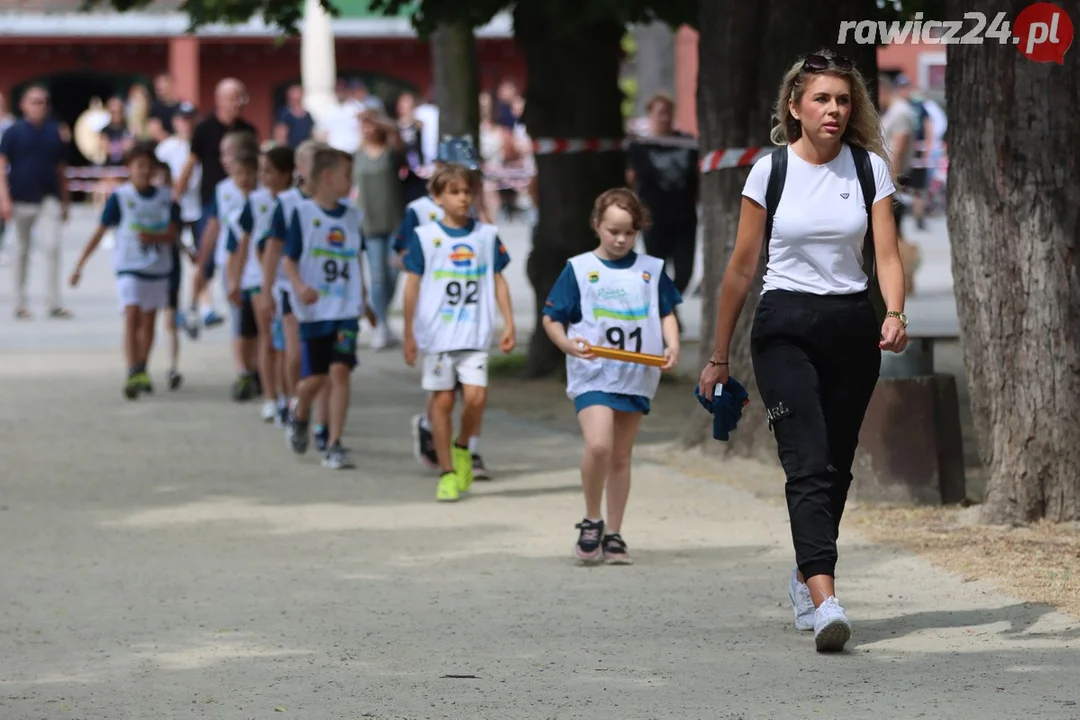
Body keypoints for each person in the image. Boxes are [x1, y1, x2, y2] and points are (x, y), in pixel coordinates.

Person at [697, 51, 909, 653]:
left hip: (851, 324)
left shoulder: (868, 169)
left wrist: (894, 313)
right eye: (821, 99)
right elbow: (741, 269)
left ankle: (802, 574)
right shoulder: (771, 171)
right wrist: (719, 355)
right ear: (795, 107)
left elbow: (886, 256)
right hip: (784, 324)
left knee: (836, 464)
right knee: (807, 459)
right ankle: (825, 598)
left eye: (843, 100)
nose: (834, 110)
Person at [541, 188, 681, 566]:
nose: (620, 239)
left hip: (636, 373)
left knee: (621, 456)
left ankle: (615, 534)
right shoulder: (580, 268)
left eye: (629, 232)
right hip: (593, 371)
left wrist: (672, 345)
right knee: (599, 445)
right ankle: (591, 520)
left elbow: (667, 310)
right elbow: (551, 318)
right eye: (613, 230)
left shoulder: (651, 269)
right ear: (597, 226)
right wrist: (567, 345)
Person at [401, 164, 516, 503]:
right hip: (438, 335)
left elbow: (498, 279)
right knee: (443, 400)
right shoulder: (426, 238)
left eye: (467, 191)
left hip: (474, 332)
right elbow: (412, 285)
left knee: (476, 397)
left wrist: (508, 322)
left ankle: (463, 444)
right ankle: (447, 472)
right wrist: (409, 333)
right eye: (454, 192)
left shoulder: (486, 235)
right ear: (437, 198)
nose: (463, 198)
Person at [396, 137, 493, 477]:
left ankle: (470, 449)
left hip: (469, 313)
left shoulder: (470, 210)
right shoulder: (420, 211)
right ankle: (430, 426)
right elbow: (403, 255)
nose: (466, 189)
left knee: (472, 392)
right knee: (444, 392)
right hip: (436, 313)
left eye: (471, 180)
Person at [283, 148, 375, 469]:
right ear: (327, 177)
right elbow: (288, 259)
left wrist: (365, 298)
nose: (351, 182)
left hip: (346, 308)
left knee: (341, 371)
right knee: (316, 378)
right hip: (317, 309)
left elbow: (356, 259)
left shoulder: (352, 217)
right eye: (347, 175)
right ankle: (300, 407)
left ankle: (334, 443)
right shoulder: (304, 214)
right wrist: (298, 285)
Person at [69, 143, 180, 399]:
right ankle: (133, 369)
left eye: (148, 166)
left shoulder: (166, 198)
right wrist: (79, 265)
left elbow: (174, 233)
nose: (144, 171)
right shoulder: (120, 198)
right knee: (131, 316)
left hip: (157, 268)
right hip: (129, 267)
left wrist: (155, 236)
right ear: (129, 168)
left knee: (149, 320)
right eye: (139, 165)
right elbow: (100, 231)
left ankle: (143, 365)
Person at [262, 140, 334, 437]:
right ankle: (294, 402)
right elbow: (272, 249)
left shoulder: (336, 206)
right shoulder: (288, 204)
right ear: (301, 169)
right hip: (291, 289)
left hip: (328, 294)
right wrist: (266, 290)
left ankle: (322, 423)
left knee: (327, 364)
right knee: (294, 355)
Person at [175, 78, 257, 330]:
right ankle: (192, 306)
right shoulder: (205, 128)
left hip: (243, 199)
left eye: (241, 97)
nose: (238, 103)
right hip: (212, 200)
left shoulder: (248, 130)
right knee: (205, 256)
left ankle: (239, 300)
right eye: (233, 98)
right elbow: (191, 162)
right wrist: (176, 194)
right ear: (220, 100)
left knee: (242, 251)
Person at [228, 146, 296, 423]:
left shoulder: (297, 202)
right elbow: (243, 245)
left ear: (285, 174)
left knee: (287, 344)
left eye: (268, 171)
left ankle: (289, 395)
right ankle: (271, 397)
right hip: (259, 278)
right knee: (267, 338)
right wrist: (235, 280)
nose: (263, 176)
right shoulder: (255, 202)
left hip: (289, 279)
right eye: (262, 170)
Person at [195, 131, 261, 400]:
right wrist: (203, 262)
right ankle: (243, 371)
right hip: (231, 262)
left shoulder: (262, 191)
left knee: (257, 322)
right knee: (239, 318)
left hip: (259, 264)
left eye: (228, 154)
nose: (224, 160)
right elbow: (214, 225)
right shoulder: (223, 190)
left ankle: (258, 369)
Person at [0, 84, 73, 320]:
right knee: (21, 251)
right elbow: (1, 166)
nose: (39, 106)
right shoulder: (13, 132)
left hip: (48, 198)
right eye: (34, 101)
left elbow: (62, 169)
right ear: (23, 105)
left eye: (43, 101)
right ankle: (20, 303)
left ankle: (53, 302)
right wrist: (4, 198)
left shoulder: (55, 132)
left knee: (52, 247)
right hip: (20, 198)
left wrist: (66, 201)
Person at [625, 93, 699, 317]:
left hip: (684, 217)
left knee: (684, 274)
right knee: (656, 271)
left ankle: (668, 305)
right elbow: (629, 178)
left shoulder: (687, 143)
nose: (664, 118)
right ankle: (668, 315)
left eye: (667, 113)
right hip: (653, 219)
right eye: (659, 113)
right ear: (650, 116)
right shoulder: (640, 147)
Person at [353, 110, 405, 350]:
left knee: (394, 274)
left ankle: (382, 315)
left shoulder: (391, 152)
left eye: (370, 124)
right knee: (377, 276)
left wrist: (381, 120)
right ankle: (381, 325)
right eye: (363, 125)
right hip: (370, 223)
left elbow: (398, 138)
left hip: (394, 220)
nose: (367, 129)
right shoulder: (356, 156)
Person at [155, 102, 202, 349]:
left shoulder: (201, 145)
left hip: (196, 209)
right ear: (175, 122)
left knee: (201, 260)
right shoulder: (166, 148)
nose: (186, 123)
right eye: (182, 119)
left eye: (190, 118)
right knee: (175, 260)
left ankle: (196, 305)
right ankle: (176, 309)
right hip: (173, 209)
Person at [149, 158, 186, 390]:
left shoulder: (173, 207)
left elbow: (175, 234)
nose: (161, 184)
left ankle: (172, 367)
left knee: (170, 317)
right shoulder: (141, 205)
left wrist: (188, 250)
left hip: (170, 266)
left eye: (166, 179)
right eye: (157, 178)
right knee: (147, 318)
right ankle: (141, 365)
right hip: (147, 267)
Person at [273, 84, 315, 150]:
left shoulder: (308, 115)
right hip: (290, 149)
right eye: (293, 93)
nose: (295, 96)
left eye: (297, 93)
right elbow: (280, 134)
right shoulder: (284, 113)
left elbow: (311, 132)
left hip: (305, 150)